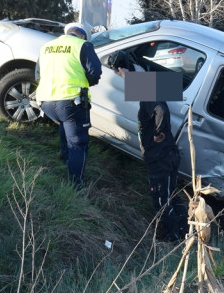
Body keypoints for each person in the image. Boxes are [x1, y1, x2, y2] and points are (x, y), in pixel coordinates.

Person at [113, 56, 188, 242]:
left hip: (159, 157)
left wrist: (158, 132)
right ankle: (184, 231)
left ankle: (173, 238)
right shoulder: (157, 88)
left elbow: (159, 110)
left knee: (162, 201)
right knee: (172, 195)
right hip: (168, 155)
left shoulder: (149, 95)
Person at [36, 22, 102, 187]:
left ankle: (66, 160)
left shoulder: (46, 47)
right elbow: (95, 73)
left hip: (46, 101)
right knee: (78, 142)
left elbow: (37, 74)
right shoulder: (82, 45)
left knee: (65, 125)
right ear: (82, 36)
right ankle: (76, 185)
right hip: (71, 100)